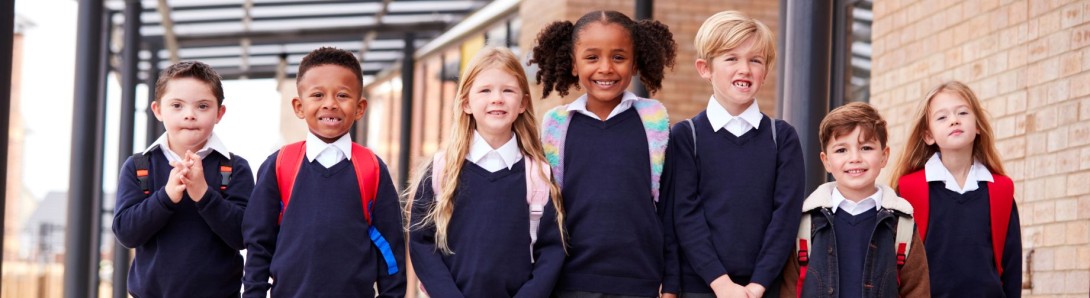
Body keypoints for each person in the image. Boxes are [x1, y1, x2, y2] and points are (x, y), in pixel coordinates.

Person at [529, 10, 677, 298]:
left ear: (635, 63)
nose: (606, 68)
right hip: (569, 284)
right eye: (592, 57)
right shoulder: (556, 126)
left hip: (641, 283)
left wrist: (671, 284)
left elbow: (669, 208)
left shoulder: (653, 121)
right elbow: (544, 211)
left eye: (619, 57)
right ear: (573, 64)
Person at [242, 47, 406, 297]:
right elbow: (259, 243)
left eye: (342, 95)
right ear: (299, 106)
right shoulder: (279, 164)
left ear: (360, 108)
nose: (330, 104)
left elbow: (390, 246)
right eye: (317, 95)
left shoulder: (372, 167)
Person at [405, 47, 566, 298]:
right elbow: (422, 244)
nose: (497, 98)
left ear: (523, 103)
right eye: (485, 90)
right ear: (466, 103)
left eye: (508, 90)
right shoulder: (441, 171)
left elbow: (552, 250)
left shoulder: (538, 175)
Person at [665, 10, 804, 298]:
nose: (745, 69)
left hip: (764, 289)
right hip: (701, 287)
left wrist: (759, 283)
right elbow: (685, 215)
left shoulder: (782, 138)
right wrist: (721, 284)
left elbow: (785, 218)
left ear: (765, 72)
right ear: (705, 68)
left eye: (755, 60)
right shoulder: (685, 136)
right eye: (731, 59)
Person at [113, 61, 254, 297]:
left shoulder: (235, 168)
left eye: (202, 106)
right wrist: (166, 197)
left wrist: (203, 195)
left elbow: (243, 236)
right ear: (158, 110)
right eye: (177, 105)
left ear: (219, 113)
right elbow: (127, 233)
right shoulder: (139, 167)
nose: (189, 115)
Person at [780, 102, 930, 297]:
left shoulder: (902, 226)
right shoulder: (805, 224)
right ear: (826, 161)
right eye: (841, 150)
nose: (855, 158)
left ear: (884, 156)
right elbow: (788, 290)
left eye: (866, 148)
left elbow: (916, 290)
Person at [892, 81, 1021, 297]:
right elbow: (894, 266)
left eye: (962, 112)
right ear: (928, 135)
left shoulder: (1001, 190)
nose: (954, 120)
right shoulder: (908, 190)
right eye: (942, 117)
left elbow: (1012, 267)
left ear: (978, 126)